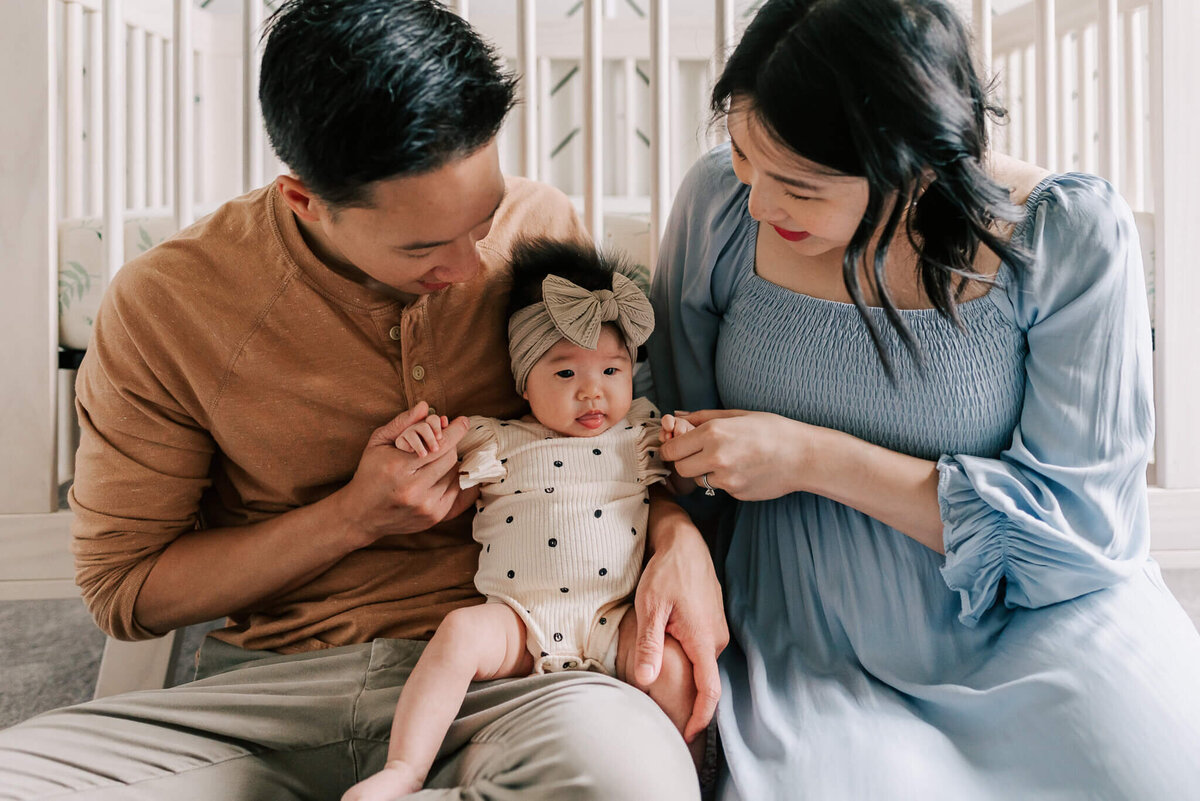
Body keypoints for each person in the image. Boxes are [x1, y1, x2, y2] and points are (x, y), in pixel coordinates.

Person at [0, 1, 725, 799]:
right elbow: (126, 589)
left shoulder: (537, 231)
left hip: (520, 677)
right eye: (422, 248)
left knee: (631, 781)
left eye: (479, 222)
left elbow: (613, 450)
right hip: (269, 694)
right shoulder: (168, 302)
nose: (468, 264)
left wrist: (679, 535)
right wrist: (352, 516)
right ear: (305, 200)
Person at [646, 0, 1200, 799]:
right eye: (740, 153)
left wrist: (806, 455)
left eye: (800, 187)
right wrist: (676, 533)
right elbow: (659, 437)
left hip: (1032, 607)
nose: (760, 201)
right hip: (808, 620)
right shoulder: (720, 210)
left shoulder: (1068, 234)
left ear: (915, 165)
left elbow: (1081, 531)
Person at [345, 238, 707, 800]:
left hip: (619, 615)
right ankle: (404, 770)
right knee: (461, 633)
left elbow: (680, 487)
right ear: (522, 382)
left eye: (612, 369)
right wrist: (419, 441)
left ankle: (693, 778)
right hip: (521, 620)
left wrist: (685, 451)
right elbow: (424, 480)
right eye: (565, 375)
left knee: (676, 669)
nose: (593, 391)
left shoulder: (638, 432)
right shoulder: (496, 440)